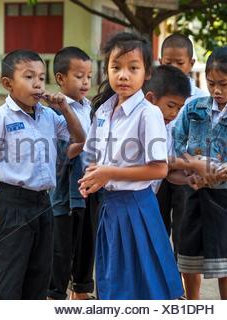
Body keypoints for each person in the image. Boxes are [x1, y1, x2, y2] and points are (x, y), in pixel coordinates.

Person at [0, 49, 85, 299]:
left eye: (41, 78)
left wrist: (64, 108)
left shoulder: (49, 116)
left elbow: (80, 138)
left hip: (44, 204)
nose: (37, 84)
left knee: (39, 275)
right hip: (12, 205)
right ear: (8, 84)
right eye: (29, 77)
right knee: (7, 276)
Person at [78, 32, 183, 300]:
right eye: (116, 68)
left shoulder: (149, 113)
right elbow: (92, 156)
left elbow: (159, 168)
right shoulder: (103, 111)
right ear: (107, 70)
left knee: (144, 285)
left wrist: (109, 173)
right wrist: (91, 178)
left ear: (146, 73)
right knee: (112, 282)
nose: (123, 75)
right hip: (109, 207)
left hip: (138, 207)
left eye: (133, 68)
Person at [173, 46, 227, 300]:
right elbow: (177, 142)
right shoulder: (193, 108)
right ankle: (193, 304)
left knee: (226, 262)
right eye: (211, 84)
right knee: (189, 255)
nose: (216, 90)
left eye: (223, 84)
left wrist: (212, 172)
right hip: (193, 190)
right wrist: (191, 167)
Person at [47, 47, 97, 300]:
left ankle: (81, 292)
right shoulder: (53, 111)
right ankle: (55, 295)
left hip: (89, 189)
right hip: (64, 194)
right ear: (60, 78)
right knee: (61, 250)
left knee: (87, 244)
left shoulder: (90, 108)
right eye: (79, 76)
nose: (86, 82)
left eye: (89, 76)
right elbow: (62, 153)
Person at [156, 33, 209, 257]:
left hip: (184, 172)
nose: (175, 67)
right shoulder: (154, 93)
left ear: (191, 64)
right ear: (160, 62)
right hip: (155, 171)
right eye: (168, 63)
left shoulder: (200, 98)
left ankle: (178, 287)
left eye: (180, 63)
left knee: (182, 231)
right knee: (156, 230)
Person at [143, 65, 227, 194]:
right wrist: (191, 163)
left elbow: (167, 172)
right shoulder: (138, 124)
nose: (174, 114)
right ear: (150, 99)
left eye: (179, 108)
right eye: (170, 106)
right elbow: (157, 161)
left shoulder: (166, 127)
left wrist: (188, 179)